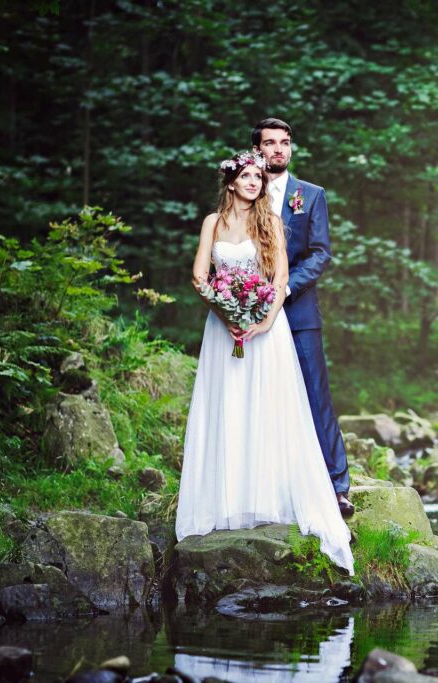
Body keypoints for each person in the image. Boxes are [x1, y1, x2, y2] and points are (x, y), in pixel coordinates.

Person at [174, 150, 354, 575]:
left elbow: (279, 280)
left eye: (259, 176)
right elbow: (201, 276)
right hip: (223, 331)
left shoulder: (271, 221)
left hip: (264, 331)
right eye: (248, 176)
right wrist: (226, 314)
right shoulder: (212, 224)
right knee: (228, 407)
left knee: (266, 409)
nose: (255, 182)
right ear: (232, 182)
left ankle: (269, 497)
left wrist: (261, 321)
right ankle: (226, 501)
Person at [252, 117, 354, 516]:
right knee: (259, 398)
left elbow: (320, 252)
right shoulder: (245, 192)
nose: (279, 149)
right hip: (252, 314)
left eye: (285, 142)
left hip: (299, 314)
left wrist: (284, 287)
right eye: (270, 143)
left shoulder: (310, 196)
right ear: (257, 150)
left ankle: (337, 486)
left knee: (315, 396)